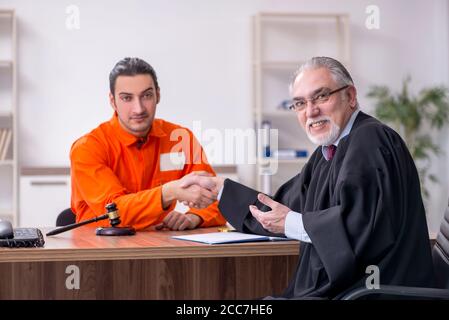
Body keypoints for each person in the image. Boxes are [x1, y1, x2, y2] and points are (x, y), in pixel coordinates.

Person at [182, 57, 435, 299]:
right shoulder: (328, 151)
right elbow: (283, 206)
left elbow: (361, 231)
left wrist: (290, 222)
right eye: (300, 103)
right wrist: (221, 189)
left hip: (370, 292)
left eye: (321, 96)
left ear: (350, 96)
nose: (311, 111)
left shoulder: (370, 142)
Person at [70, 57, 225, 231]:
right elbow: (115, 213)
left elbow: (218, 198)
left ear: (158, 95)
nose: (139, 109)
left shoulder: (180, 139)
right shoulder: (88, 148)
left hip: (158, 245)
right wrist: (168, 192)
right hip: (99, 247)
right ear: (113, 101)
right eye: (127, 98)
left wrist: (194, 217)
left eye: (146, 96)